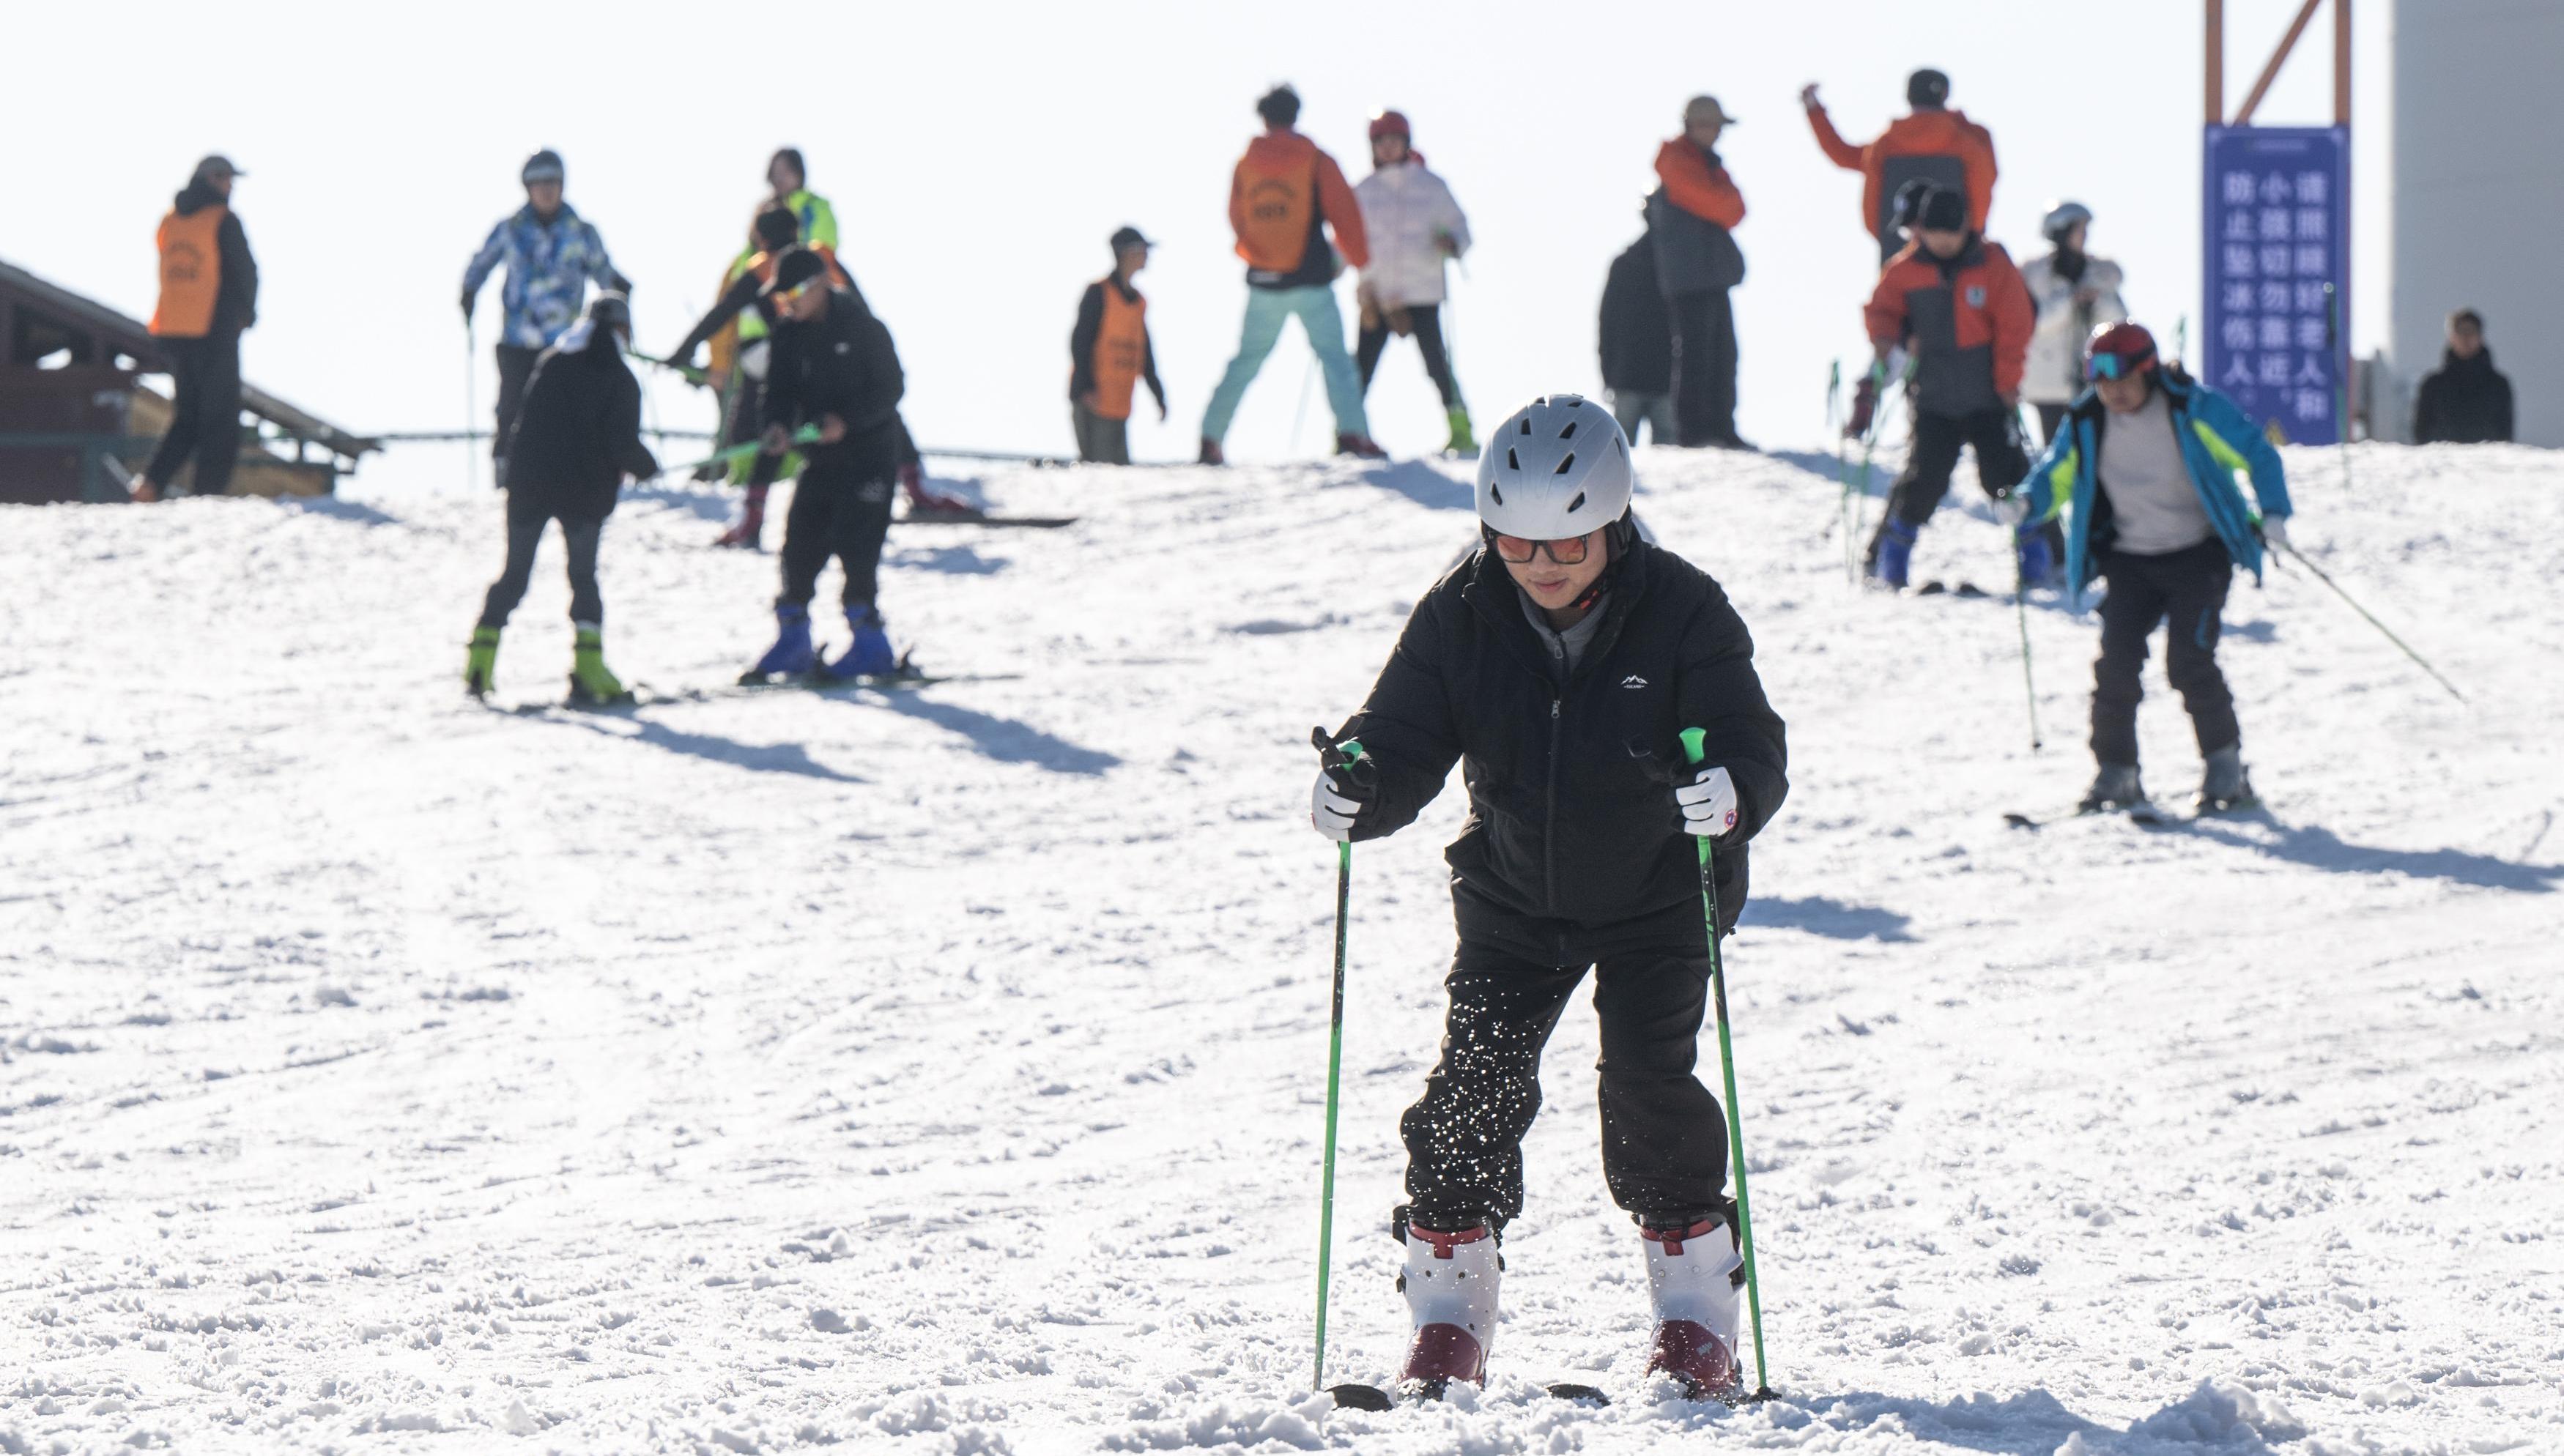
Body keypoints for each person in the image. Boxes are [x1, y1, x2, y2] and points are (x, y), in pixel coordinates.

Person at [1309, 393, 1789, 1398]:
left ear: (1614, 525)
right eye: (1518, 543)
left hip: (1659, 893)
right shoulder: (1461, 614)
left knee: (1648, 1088)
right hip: (1516, 894)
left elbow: (1747, 734)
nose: (1543, 565)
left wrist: (1732, 791)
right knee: (1470, 1090)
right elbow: (1401, 731)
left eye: (1569, 544)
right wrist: (1363, 782)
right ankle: (1447, 1323)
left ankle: (1696, 1321)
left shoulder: (1683, 608)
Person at [2016, 322, 2293, 813]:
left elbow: (2256, 452)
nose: (2114, 393)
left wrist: (2272, 512)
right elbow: (2054, 474)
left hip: (2198, 554)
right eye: (2104, 383)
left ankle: (2226, 772)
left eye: (2124, 381)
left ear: (2149, 372)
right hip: (2129, 559)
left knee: (2189, 662)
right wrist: (2024, 504)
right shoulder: (2087, 419)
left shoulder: (2192, 407)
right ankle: (2116, 773)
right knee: (2116, 667)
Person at [464, 292, 660, 705]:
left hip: (529, 485)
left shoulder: (553, 362)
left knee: (514, 576)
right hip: (583, 493)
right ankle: (589, 670)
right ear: (623, 330)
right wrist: (648, 468)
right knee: (583, 577)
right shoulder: (621, 378)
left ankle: (480, 661)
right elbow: (622, 442)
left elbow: (522, 421)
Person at [741, 248, 909, 683]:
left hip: (869, 459)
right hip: (820, 459)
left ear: (818, 285)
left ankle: (870, 643)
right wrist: (777, 426)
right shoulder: (787, 334)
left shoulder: (864, 327)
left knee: (858, 548)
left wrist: (846, 422)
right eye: (781, 295)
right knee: (799, 543)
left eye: (793, 292)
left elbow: (891, 389)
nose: (787, 302)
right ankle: (793, 639)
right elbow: (777, 392)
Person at [1860, 186, 2034, 590]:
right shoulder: (1904, 270)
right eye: (1934, 233)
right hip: (1933, 398)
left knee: (2006, 476)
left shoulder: (1993, 264)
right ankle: (1889, 560)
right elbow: (1881, 312)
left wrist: (2008, 383)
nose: (1942, 242)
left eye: (1949, 234)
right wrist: (1889, 340)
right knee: (1925, 479)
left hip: (1987, 397)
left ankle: (2041, 556)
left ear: (1964, 228)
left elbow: (2015, 325)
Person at [1198, 85, 1383, 464]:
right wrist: (1359, 262)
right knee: (1335, 359)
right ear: (1296, 115)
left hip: (1263, 282)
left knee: (1245, 361)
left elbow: (1236, 217)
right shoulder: (1315, 159)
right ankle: (1354, 433)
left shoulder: (1246, 164)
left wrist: (1256, 253)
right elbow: (1345, 214)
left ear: (1263, 117)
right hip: (1311, 281)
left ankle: (1211, 437)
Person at [462, 150, 630, 486]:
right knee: (512, 407)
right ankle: (506, 473)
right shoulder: (511, 229)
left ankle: (565, 477)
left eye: (552, 182)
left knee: (566, 411)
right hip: (517, 339)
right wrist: (468, 292)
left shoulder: (581, 232)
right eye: (538, 183)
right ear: (527, 188)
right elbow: (482, 263)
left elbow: (603, 272)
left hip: (565, 343)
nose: (546, 190)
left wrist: (618, 293)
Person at [668, 204, 806, 547]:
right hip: (814, 362)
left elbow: (721, 313)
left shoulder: (760, 268)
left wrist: (682, 353)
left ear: (760, 237)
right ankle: (910, 481)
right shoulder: (815, 262)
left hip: (767, 362)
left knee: (764, 431)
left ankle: (752, 519)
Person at [1352, 109, 1475, 454]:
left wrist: (1453, 242)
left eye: (1394, 140)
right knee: (1360, 367)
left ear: (1406, 142)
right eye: (1381, 142)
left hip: (1422, 291)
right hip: (1377, 294)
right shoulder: (1362, 191)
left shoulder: (1432, 185)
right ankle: (1349, 431)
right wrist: (1331, 265)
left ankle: (1461, 429)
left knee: (1436, 363)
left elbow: (1461, 228)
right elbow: (1347, 239)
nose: (1388, 148)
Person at [137, 155, 258, 502]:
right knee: (221, 420)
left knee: (187, 416)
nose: (231, 186)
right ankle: (209, 498)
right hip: (214, 330)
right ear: (211, 179)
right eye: (226, 178)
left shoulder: (170, 221)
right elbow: (245, 272)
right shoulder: (223, 220)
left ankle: (149, 485)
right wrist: (245, 315)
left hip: (175, 332)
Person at [1802, 70, 1998, 263]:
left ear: (1907, 96)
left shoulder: (1885, 146)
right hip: (1963, 259)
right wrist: (1969, 239)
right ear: (1945, 95)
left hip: (1899, 257)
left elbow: (1843, 155)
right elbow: (1984, 186)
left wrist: (1814, 111)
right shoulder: (1972, 142)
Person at [1643, 96, 1749, 449]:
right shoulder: (1677, 162)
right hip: (1690, 279)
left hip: (1710, 276)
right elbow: (1726, 207)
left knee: (1723, 355)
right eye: (1715, 126)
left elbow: (1735, 209)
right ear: (1698, 125)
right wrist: (1721, 198)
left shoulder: (1703, 163)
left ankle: (1721, 430)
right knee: (1696, 356)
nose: (1719, 134)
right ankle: (1693, 433)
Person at [2020, 201, 2127, 445]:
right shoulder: (2033, 276)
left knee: (2093, 448)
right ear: (2061, 232)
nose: (2084, 235)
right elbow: (2033, 324)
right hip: (2048, 386)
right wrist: (2070, 301)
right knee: (2056, 449)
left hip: (2093, 380)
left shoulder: (2102, 274)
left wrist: (2098, 300)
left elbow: (2119, 323)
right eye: (2078, 229)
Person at [1068, 226, 1168, 464]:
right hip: (1095, 402)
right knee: (1098, 472)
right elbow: (1080, 342)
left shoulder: (1138, 303)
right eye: (1142, 250)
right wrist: (1086, 388)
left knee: (1119, 475)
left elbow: (1144, 354)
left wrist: (1158, 394)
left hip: (1119, 404)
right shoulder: (1099, 293)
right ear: (1126, 254)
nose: (1146, 256)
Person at [1598, 222, 1676, 445]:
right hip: (1665, 377)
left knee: (1617, 451)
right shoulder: (1677, 266)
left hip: (1628, 375)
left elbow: (1607, 324)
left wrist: (1608, 374)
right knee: (1668, 454)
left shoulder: (1624, 264)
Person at [2412, 308, 2515, 444]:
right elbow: (2421, 434)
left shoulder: (2498, 385)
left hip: (2487, 457)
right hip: (2443, 456)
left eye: (2471, 331)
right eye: (2460, 331)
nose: (2466, 338)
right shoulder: (2433, 385)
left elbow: (2505, 434)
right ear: (2451, 337)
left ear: (2480, 336)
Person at [764, 148, 845, 282]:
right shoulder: (764, 211)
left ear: (799, 173)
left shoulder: (816, 206)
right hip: (770, 281)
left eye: (786, 171)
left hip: (808, 278)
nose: (780, 178)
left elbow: (824, 249)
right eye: (775, 172)